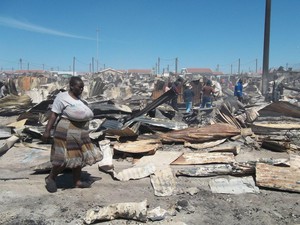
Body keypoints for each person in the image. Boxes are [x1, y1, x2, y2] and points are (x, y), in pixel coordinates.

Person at [42, 76, 102, 193]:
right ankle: (51, 179)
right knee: (62, 157)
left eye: (82, 87)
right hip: (66, 130)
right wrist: (47, 131)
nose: (81, 89)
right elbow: (54, 115)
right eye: (79, 87)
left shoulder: (79, 99)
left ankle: (77, 181)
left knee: (78, 157)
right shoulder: (62, 97)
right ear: (71, 86)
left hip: (79, 131)